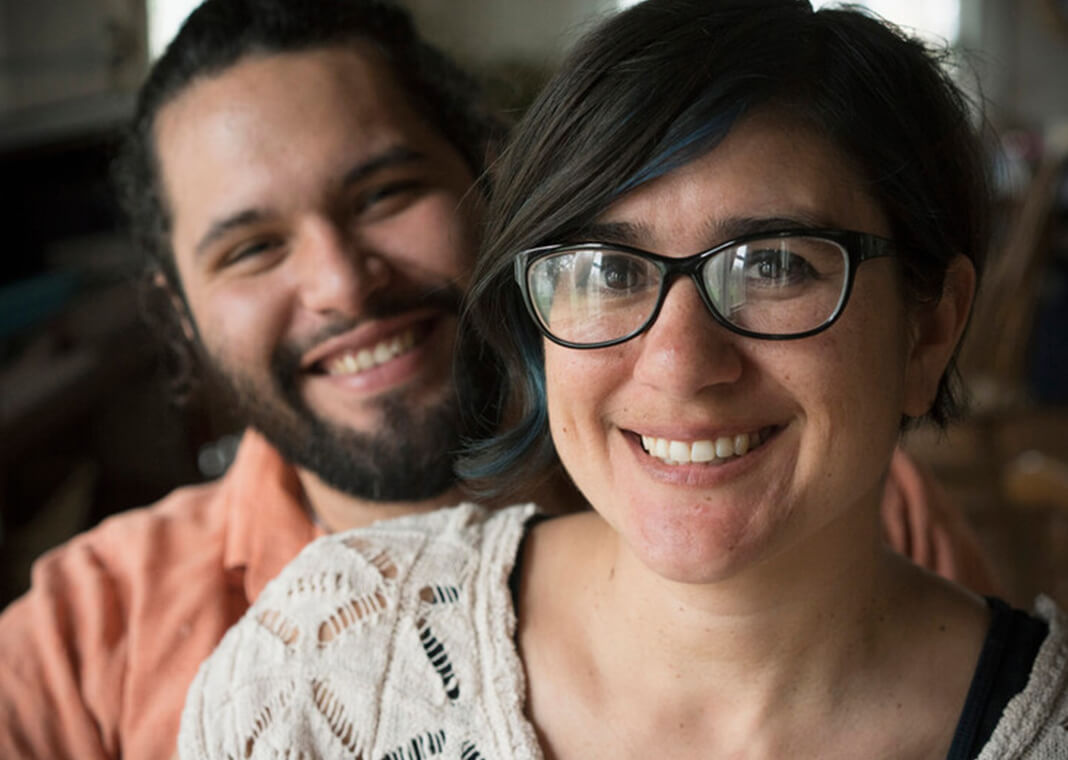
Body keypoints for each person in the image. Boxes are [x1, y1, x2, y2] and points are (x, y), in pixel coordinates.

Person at [178, 1, 1067, 758]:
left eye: (773, 266)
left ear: (930, 328)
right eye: (608, 270)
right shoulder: (326, 665)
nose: (679, 364)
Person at [0, 1, 583, 758]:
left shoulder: (685, 512)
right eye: (252, 248)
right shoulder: (83, 642)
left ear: (489, 173)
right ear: (181, 316)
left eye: (385, 195)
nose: (341, 284)